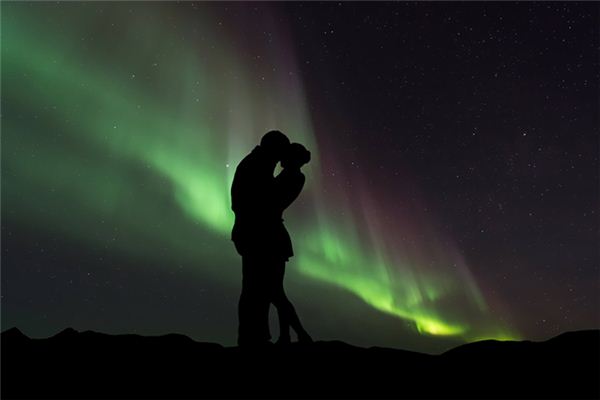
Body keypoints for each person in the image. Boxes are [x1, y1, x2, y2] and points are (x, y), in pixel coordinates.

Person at [231, 130, 290, 346]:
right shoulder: (257, 165)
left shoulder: (258, 164)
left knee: (257, 288)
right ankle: (252, 338)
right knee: (256, 288)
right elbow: (259, 201)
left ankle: (254, 336)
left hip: (251, 233)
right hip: (255, 234)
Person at [271, 142, 313, 345]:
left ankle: (300, 335)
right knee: (277, 291)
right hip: (276, 235)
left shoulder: (293, 177)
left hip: (273, 235)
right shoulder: (294, 176)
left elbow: (272, 198)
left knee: (275, 292)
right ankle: (287, 336)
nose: (280, 159)